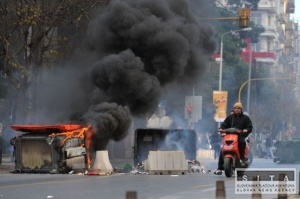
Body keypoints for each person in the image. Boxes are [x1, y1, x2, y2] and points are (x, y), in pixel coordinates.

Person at [214, 102, 253, 175]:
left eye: (238, 108)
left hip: (240, 136)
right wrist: (221, 129)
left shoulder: (245, 118)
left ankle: (242, 158)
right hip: (230, 136)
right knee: (223, 148)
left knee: (242, 142)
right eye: (235, 108)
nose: (236, 109)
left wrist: (246, 130)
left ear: (241, 109)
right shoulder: (230, 117)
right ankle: (219, 168)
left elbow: (249, 127)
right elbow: (224, 125)